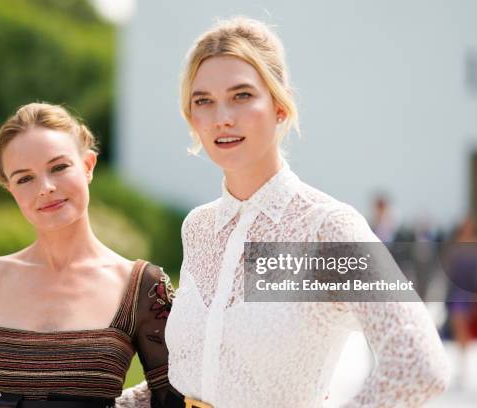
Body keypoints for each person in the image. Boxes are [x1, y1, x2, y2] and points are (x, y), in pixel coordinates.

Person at [165, 17, 450, 407]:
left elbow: (420, 367)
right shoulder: (198, 227)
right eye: (204, 101)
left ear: (280, 107)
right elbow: (194, 378)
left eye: (242, 95)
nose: (222, 118)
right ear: (191, 119)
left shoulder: (326, 228)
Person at [0, 103, 178, 408]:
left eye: (58, 167)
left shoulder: (144, 285)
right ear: (10, 189)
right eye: (25, 178)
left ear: (88, 166)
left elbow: (172, 399)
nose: (46, 188)